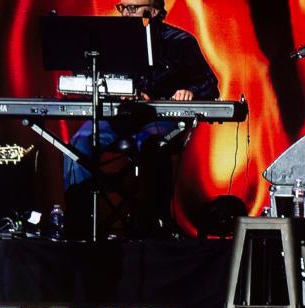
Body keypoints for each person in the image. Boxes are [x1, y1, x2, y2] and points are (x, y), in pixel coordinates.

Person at [62, 0, 219, 238]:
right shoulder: (111, 43)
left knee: (151, 145)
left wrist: (190, 91)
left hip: (158, 119)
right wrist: (116, 90)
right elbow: (90, 76)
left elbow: (210, 84)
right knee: (79, 142)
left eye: (132, 8)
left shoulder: (181, 43)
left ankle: (152, 227)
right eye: (122, 7)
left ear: (154, 11)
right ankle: (80, 229)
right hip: (119, 117)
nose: (125, 14)